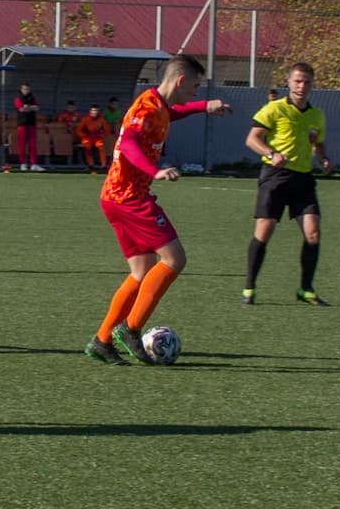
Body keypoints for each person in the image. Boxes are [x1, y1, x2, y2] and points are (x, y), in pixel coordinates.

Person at [86, 54, 232, 366]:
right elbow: (128, 145)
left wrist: (204, 107)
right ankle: (131, 328)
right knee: (175, 258)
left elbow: (173, 113)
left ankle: (102, 340)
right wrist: (155, 171)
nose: (195, 93)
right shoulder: (146, 107)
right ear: (181, 81)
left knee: (141, 271)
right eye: (194, 88)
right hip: (129, 198)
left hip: (116, 197)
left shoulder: (159, 106)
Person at [243, 62, 333, 306]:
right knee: (264, 232)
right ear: (289, 82)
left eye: (307, 82)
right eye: (297, 81)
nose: (301, 86)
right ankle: (249, 288)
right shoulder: (274, 109)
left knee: (313, 233)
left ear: (312, 85)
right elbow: (252, 140)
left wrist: (323, 158)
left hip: (303, 179)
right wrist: (271, 154)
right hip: (275, 177)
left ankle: (306, 289)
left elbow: (317, 143)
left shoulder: (316, 115)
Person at [13, 82, 43, 171]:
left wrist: (28, 107)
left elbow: (37, 108)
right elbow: (21, 109)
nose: (26, 91)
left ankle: (34, 164)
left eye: (28, 89)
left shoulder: (32, 98)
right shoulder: (18, 98)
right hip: (22, 124)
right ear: (21, 89)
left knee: (33, 145)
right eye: (24, 89)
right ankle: (23, 164)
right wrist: (31, 108)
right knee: (22, 145)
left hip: (32, 123)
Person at [75, 105, 110, 173]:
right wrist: (84, 136)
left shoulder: (101, 120)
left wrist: (102, 136)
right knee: (87, 146)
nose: (94, 112)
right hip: (88, 138)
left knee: (101, 146)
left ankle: (103, 165)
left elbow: (107, 130)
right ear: (90, 112)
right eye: (93, 111)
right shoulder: (85, 119)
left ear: (98, 112)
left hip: (97, 138)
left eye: (96, 111)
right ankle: (90, 165)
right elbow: (79, 130)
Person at [55, 100, 80, 166]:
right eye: (69, 107)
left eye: (72, 107)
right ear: (66, 107)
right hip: (64, 135)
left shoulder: (77, 115)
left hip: (75, 136)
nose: (70, 109)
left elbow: (81, 124)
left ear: (74, 107)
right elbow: (59, 125)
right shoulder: (62, 114)